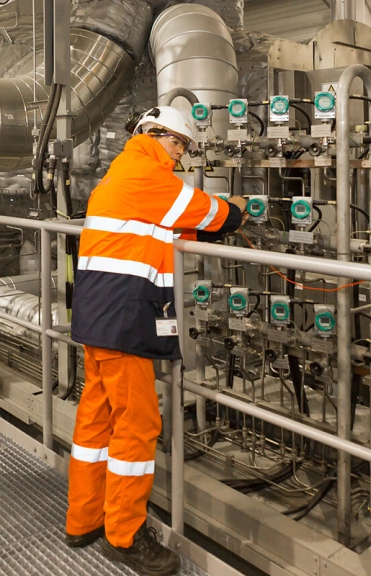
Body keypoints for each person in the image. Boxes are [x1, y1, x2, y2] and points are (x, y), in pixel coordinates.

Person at [66, 106, 247, 575]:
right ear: (156, 135)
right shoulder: (148, 174)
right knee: (138, 426)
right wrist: (242, 212)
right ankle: (124, 535)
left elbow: (163, 220)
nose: (180, 153)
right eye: (178, 144)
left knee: (97, 421)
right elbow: (212, 213)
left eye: (184, 147)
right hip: (123, 321)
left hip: (97, 315)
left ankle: (83, 519)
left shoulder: (122, 172)